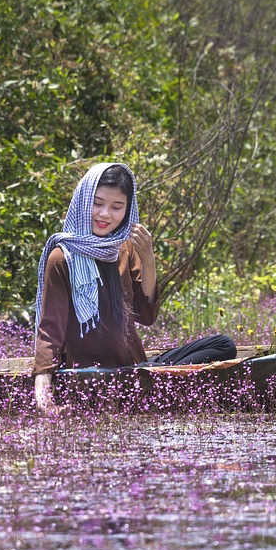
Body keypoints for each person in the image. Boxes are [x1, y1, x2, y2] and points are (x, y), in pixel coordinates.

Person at [32, 162, 236, 412]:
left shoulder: (125, 248)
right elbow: (50, 330)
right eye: (97, 203)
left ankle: (156, 382)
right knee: (145, 377)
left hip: (136, 368)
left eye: (117, 207)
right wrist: (44, 398)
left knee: (224, 345)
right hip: (93, 377)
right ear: (83, 201)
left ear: (127, 210)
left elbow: (146, 315)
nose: (105, 214)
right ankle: (162, 387)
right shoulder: (62, 258)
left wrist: (148, 258)